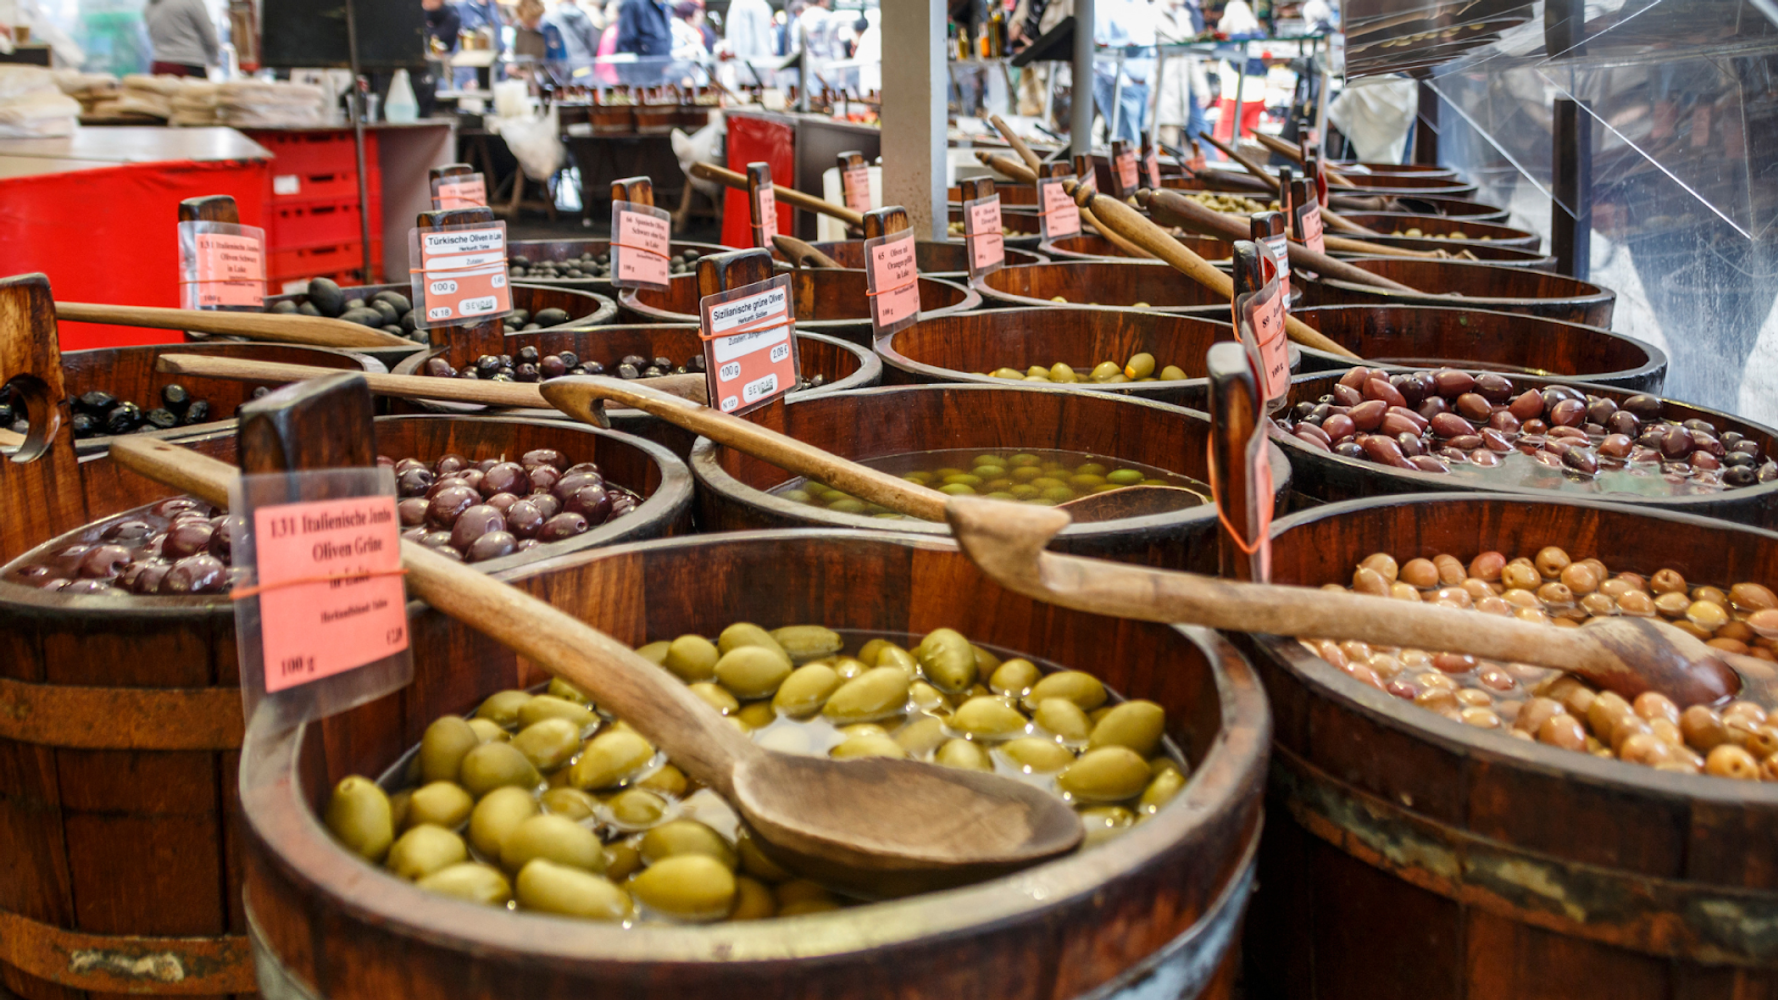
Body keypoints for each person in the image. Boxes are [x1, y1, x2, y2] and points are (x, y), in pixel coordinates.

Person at [1093, 0, 1155, 145]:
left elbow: (1150, 45)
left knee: (1139, 146)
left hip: (1141, 84)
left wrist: (1149, 81)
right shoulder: (1103, 4)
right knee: (1127, 146)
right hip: (1116, 84)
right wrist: (1124, 82)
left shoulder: (1142, 5)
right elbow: (1100, 47)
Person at [143, 0, 219, 77]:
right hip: (189, 65)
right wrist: (213, 60)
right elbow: (209, 36)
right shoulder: (191, 2)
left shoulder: (149, 6)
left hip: (159, 65)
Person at [547, 0, 603, 65]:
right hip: (584, 63)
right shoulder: (583, 16)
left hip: (563, 64)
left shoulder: (551, 19)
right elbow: (593, 43)